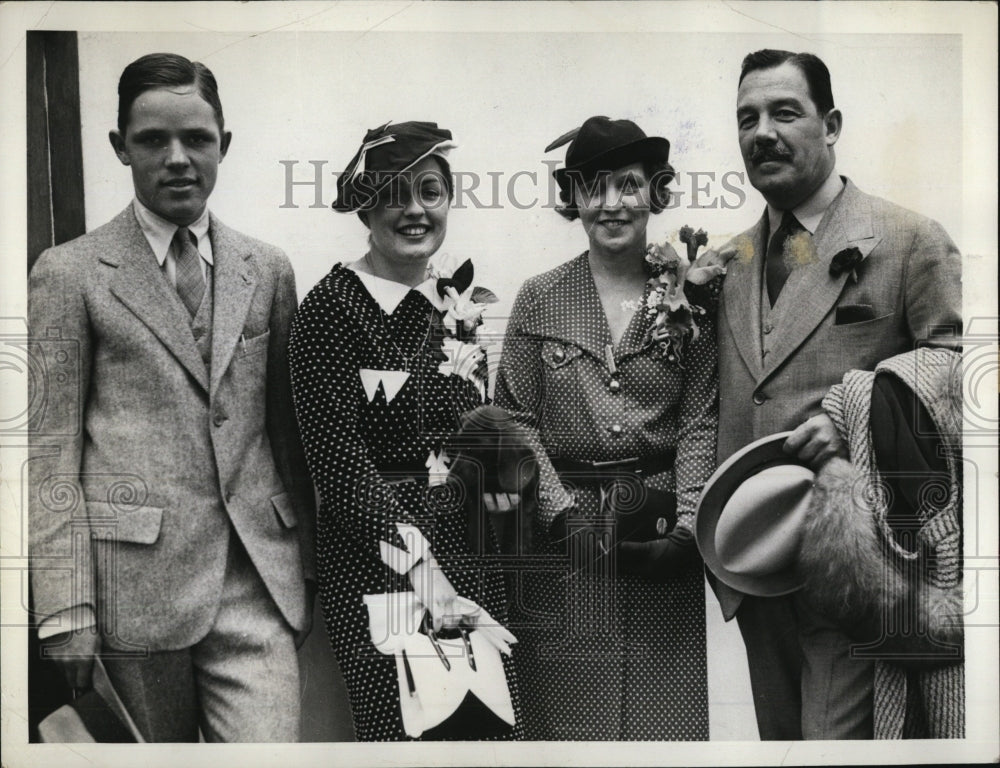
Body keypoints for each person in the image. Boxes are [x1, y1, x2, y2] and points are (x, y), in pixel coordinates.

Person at [28, 52, 316, 742]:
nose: (179, 158)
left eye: (198, 139)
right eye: (154, 140)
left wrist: (303, 562)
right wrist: (65, 607)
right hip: (132, 592)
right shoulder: (70, 274)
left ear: (225, 144)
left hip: (256, 583)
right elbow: (47, 454)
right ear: (120, 147)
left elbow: (287, 430)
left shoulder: (267, 269)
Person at [707, 49, 962, 740]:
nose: (763, 132)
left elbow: (959, 369)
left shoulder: (910, 240)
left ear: (831, 124)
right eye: (747, 118)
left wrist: (850, 409)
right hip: (755, 563)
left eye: (785, 112)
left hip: (860, 560)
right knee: (783, 745)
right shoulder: (728, 264)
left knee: (837, 746)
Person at [288, 121, 523, 741]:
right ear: (366, 205)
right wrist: (427, 579)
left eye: (430, 191)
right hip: (382, 576)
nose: (415, 210)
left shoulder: (455, 307)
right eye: (395, 193)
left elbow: (475, 444)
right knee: (406, 739)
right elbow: (341, 470)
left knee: (484, 740)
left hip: (469, 566)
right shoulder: (329, 311)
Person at [494, 116, 719, 740]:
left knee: (661, 726)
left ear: (655, 192)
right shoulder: (540, 297)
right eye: (593, 186)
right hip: (565, 542)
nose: (612, 203)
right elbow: (513, 417)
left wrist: (687, 525)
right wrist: (562, 515)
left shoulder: (692, 299)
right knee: (569, 722)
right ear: (574, 198)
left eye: (628, 184)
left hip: (658, 533)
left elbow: (701, 418)